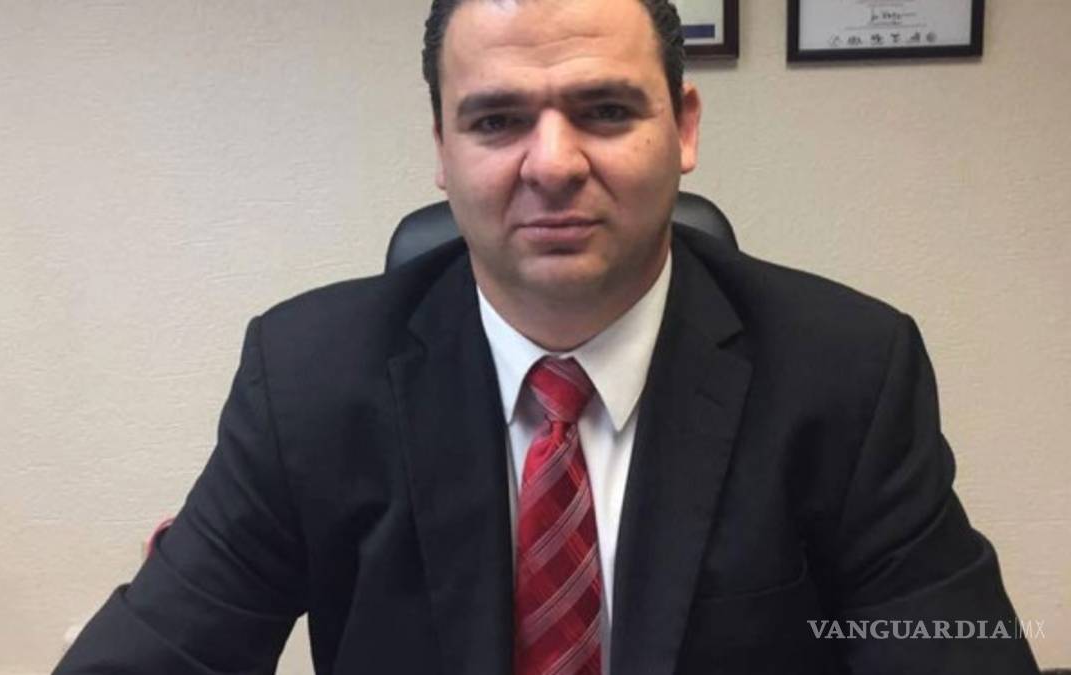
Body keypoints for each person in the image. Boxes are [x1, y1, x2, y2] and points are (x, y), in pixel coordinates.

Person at [56, 0, 1040, 673]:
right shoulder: (306, 380)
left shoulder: (848, 373)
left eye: (605, 110)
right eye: (497, 121)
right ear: (441, 150)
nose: (554, 163)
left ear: (684, 127)